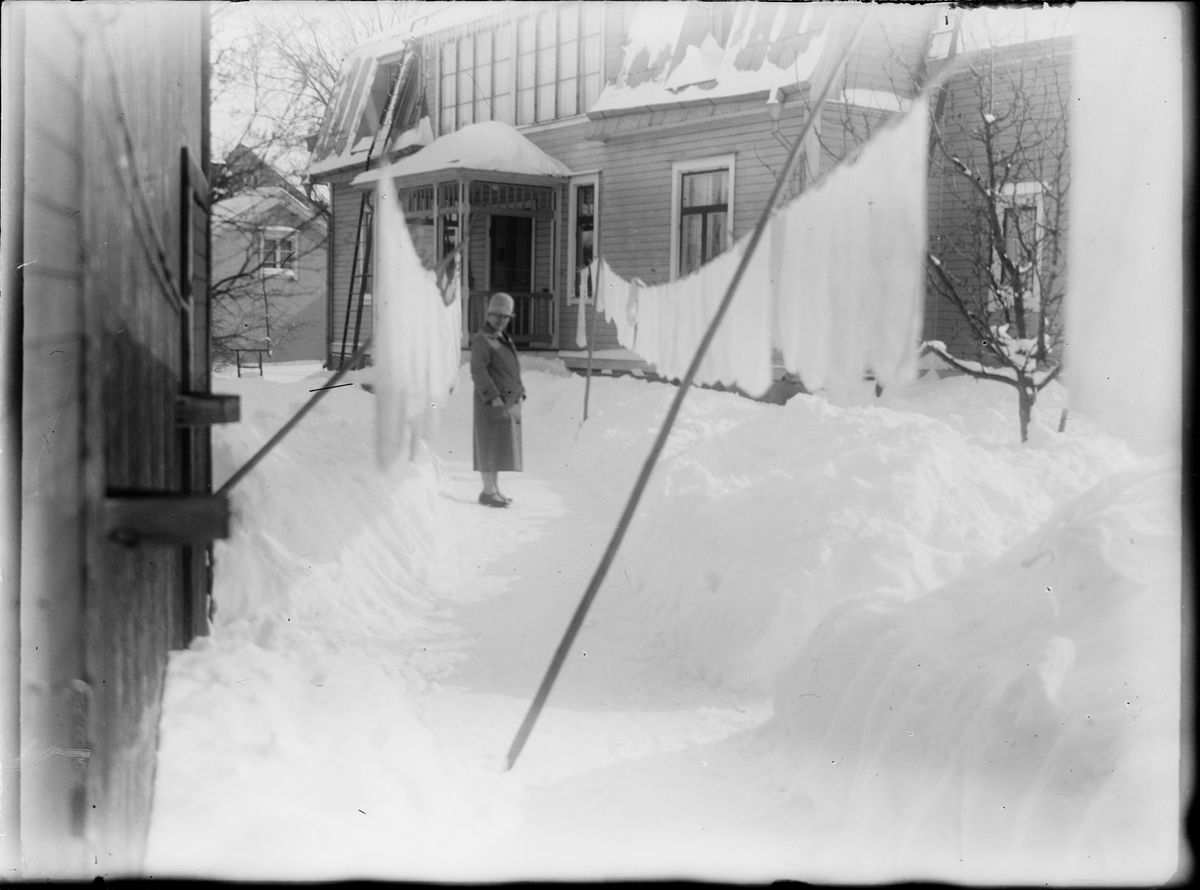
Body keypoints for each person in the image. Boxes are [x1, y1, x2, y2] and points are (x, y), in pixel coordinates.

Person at [470, 292, 525, 507]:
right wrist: (492, 397)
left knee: (497, 447)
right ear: (488, 314)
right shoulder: (482, 340)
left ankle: (493, 490)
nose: (501, 320)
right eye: (497, 316)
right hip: (490, 402)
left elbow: (509, 369)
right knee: (488, 446)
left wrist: (520, 390)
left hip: (505, 402)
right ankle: (488, 490)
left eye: (505, 317)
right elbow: (478, 371)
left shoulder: (502, 338)